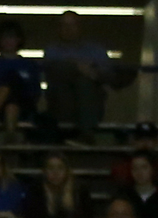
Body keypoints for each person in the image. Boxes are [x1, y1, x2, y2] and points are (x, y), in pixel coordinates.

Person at [44, 11, 112, 145]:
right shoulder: (52, 50)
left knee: (84, 84)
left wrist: (91, 74)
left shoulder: (96, 50)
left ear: (80, 27)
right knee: (78, 80)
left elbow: (108, 75)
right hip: (60, 103)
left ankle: (85, 133)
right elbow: (53, 71)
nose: (68, 29)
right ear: (58, 29)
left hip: (91, 101)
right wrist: (80, 68)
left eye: (72, 25)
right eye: (64, 25)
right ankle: (86, 134)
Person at [0, 21, 40, 139]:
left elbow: (35, 93)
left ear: (19, 39)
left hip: (23, 110)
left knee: (13, 80)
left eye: (12, 37)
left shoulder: (29, 65)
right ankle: (10, 135)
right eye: (5, 37)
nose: (8, 41)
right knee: (11, 88)